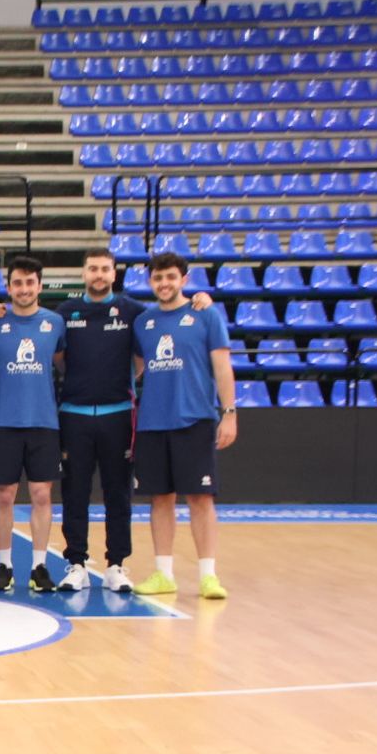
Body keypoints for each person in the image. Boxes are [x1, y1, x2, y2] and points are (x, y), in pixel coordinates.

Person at [56, 247, 214, 594]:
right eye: (93, 268)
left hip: (118, 415)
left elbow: (144, 357)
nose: (99, 274)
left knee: (118, 493)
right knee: (75, 492)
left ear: (114, 274)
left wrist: (200, 300)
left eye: (105, 269)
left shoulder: (134, 313)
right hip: (74, 415)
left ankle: (116, 564)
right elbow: (58, 357)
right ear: (84, 273)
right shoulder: (66, 312)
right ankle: (76, 564)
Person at [130, 251, 237, 600]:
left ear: (184, 280)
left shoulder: (206, 315)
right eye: (158, 278)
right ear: (151, 282)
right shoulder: (144, 322)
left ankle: (208, 576)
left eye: (171, 277)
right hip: (153, 422)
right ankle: (164, 574)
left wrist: (229, 412)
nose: (164, 284)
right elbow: (136, 368)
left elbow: (222, 367)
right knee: (160, 498)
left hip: (194, 419)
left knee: (200, 498)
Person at [0, 255, 65, 593]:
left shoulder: (54, 323)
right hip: (4, 422)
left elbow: (64, 365)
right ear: (8, 287)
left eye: (29, 283)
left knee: (41, 494)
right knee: (4, 495)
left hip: (44, 422)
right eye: (17, 283)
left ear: (39, 286)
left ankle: (40, 566)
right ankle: (5, 565)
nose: (24, 289)